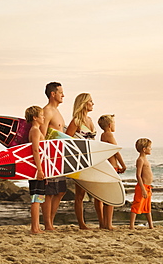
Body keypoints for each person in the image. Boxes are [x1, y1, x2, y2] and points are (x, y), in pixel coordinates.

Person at [66, 93, 101, 229]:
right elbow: (66, 139)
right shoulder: (76, 121)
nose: (93, 104)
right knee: (80, 194)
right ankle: (81, 224)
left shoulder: (91, 120)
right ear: (84, 103)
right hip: (80, 160)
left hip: (92, 159)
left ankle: (102, 222)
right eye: (90, 101)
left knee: (97, 192)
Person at [39, 82, 67, 231]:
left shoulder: (57, 112)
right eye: (61, 92)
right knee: (49, 193)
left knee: (61, 191)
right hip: (49, 156)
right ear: (53, 94)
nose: (63, 95)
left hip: (59, 156)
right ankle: (48, 225)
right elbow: (42, 135)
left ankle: (51, 221)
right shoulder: (47, 111)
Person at [98, 114, 126, 230]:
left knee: (106, 197)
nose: (114, 125)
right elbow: (116, 151)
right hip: (111, 169)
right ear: (110, 125)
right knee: (111, 197)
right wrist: (123, 165)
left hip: (108, 166)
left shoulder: (102, 135)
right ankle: (108, 224)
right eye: (114, 123)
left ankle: (105, 223)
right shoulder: (109, 134)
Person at [25, 106, 46, 234]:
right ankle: (34, 228)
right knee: (36, 199)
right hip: (35, 168)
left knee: (38, 198)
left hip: (39, 167)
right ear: (35, 117)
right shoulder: (35, 131)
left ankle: (37, 226)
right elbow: (35, 150)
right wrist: (39, 169)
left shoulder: (35, 130)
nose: (43, 117)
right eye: (41, 115)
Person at [130, 138, 154, 230]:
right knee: (137, 205)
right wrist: (143, 188)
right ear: (144, 149)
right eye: (149, 147)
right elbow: (138, 175)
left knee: (148, 207)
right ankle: (131, 226)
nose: (151, 149)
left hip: (147, 186)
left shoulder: (146, 160)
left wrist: (149, 188)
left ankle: (151, 225)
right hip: (142, 187)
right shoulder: (140, 160)